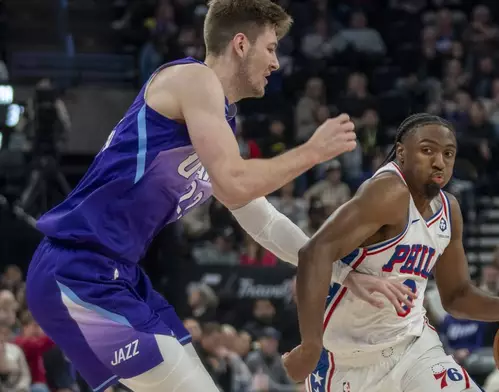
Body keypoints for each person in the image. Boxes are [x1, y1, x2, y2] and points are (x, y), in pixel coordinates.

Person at [24, 1, 411, 392]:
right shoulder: (193, 79)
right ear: (241, 44)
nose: (276, 63)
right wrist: (312, 151)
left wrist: (343, 272)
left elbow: (263, 220)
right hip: (77, 270)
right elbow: (235, 183)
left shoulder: (217, 121)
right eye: (272, 48)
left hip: (118, 276)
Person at [284, 114, 499, 391]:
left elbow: (456, 296)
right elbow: (314, 252)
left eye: (448, 154)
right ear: (401, 152)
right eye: (427, 150)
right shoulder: (387, 192)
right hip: (346, 362)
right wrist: (310, 345)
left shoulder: (448, 210)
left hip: (413, 348)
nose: (439, 162)